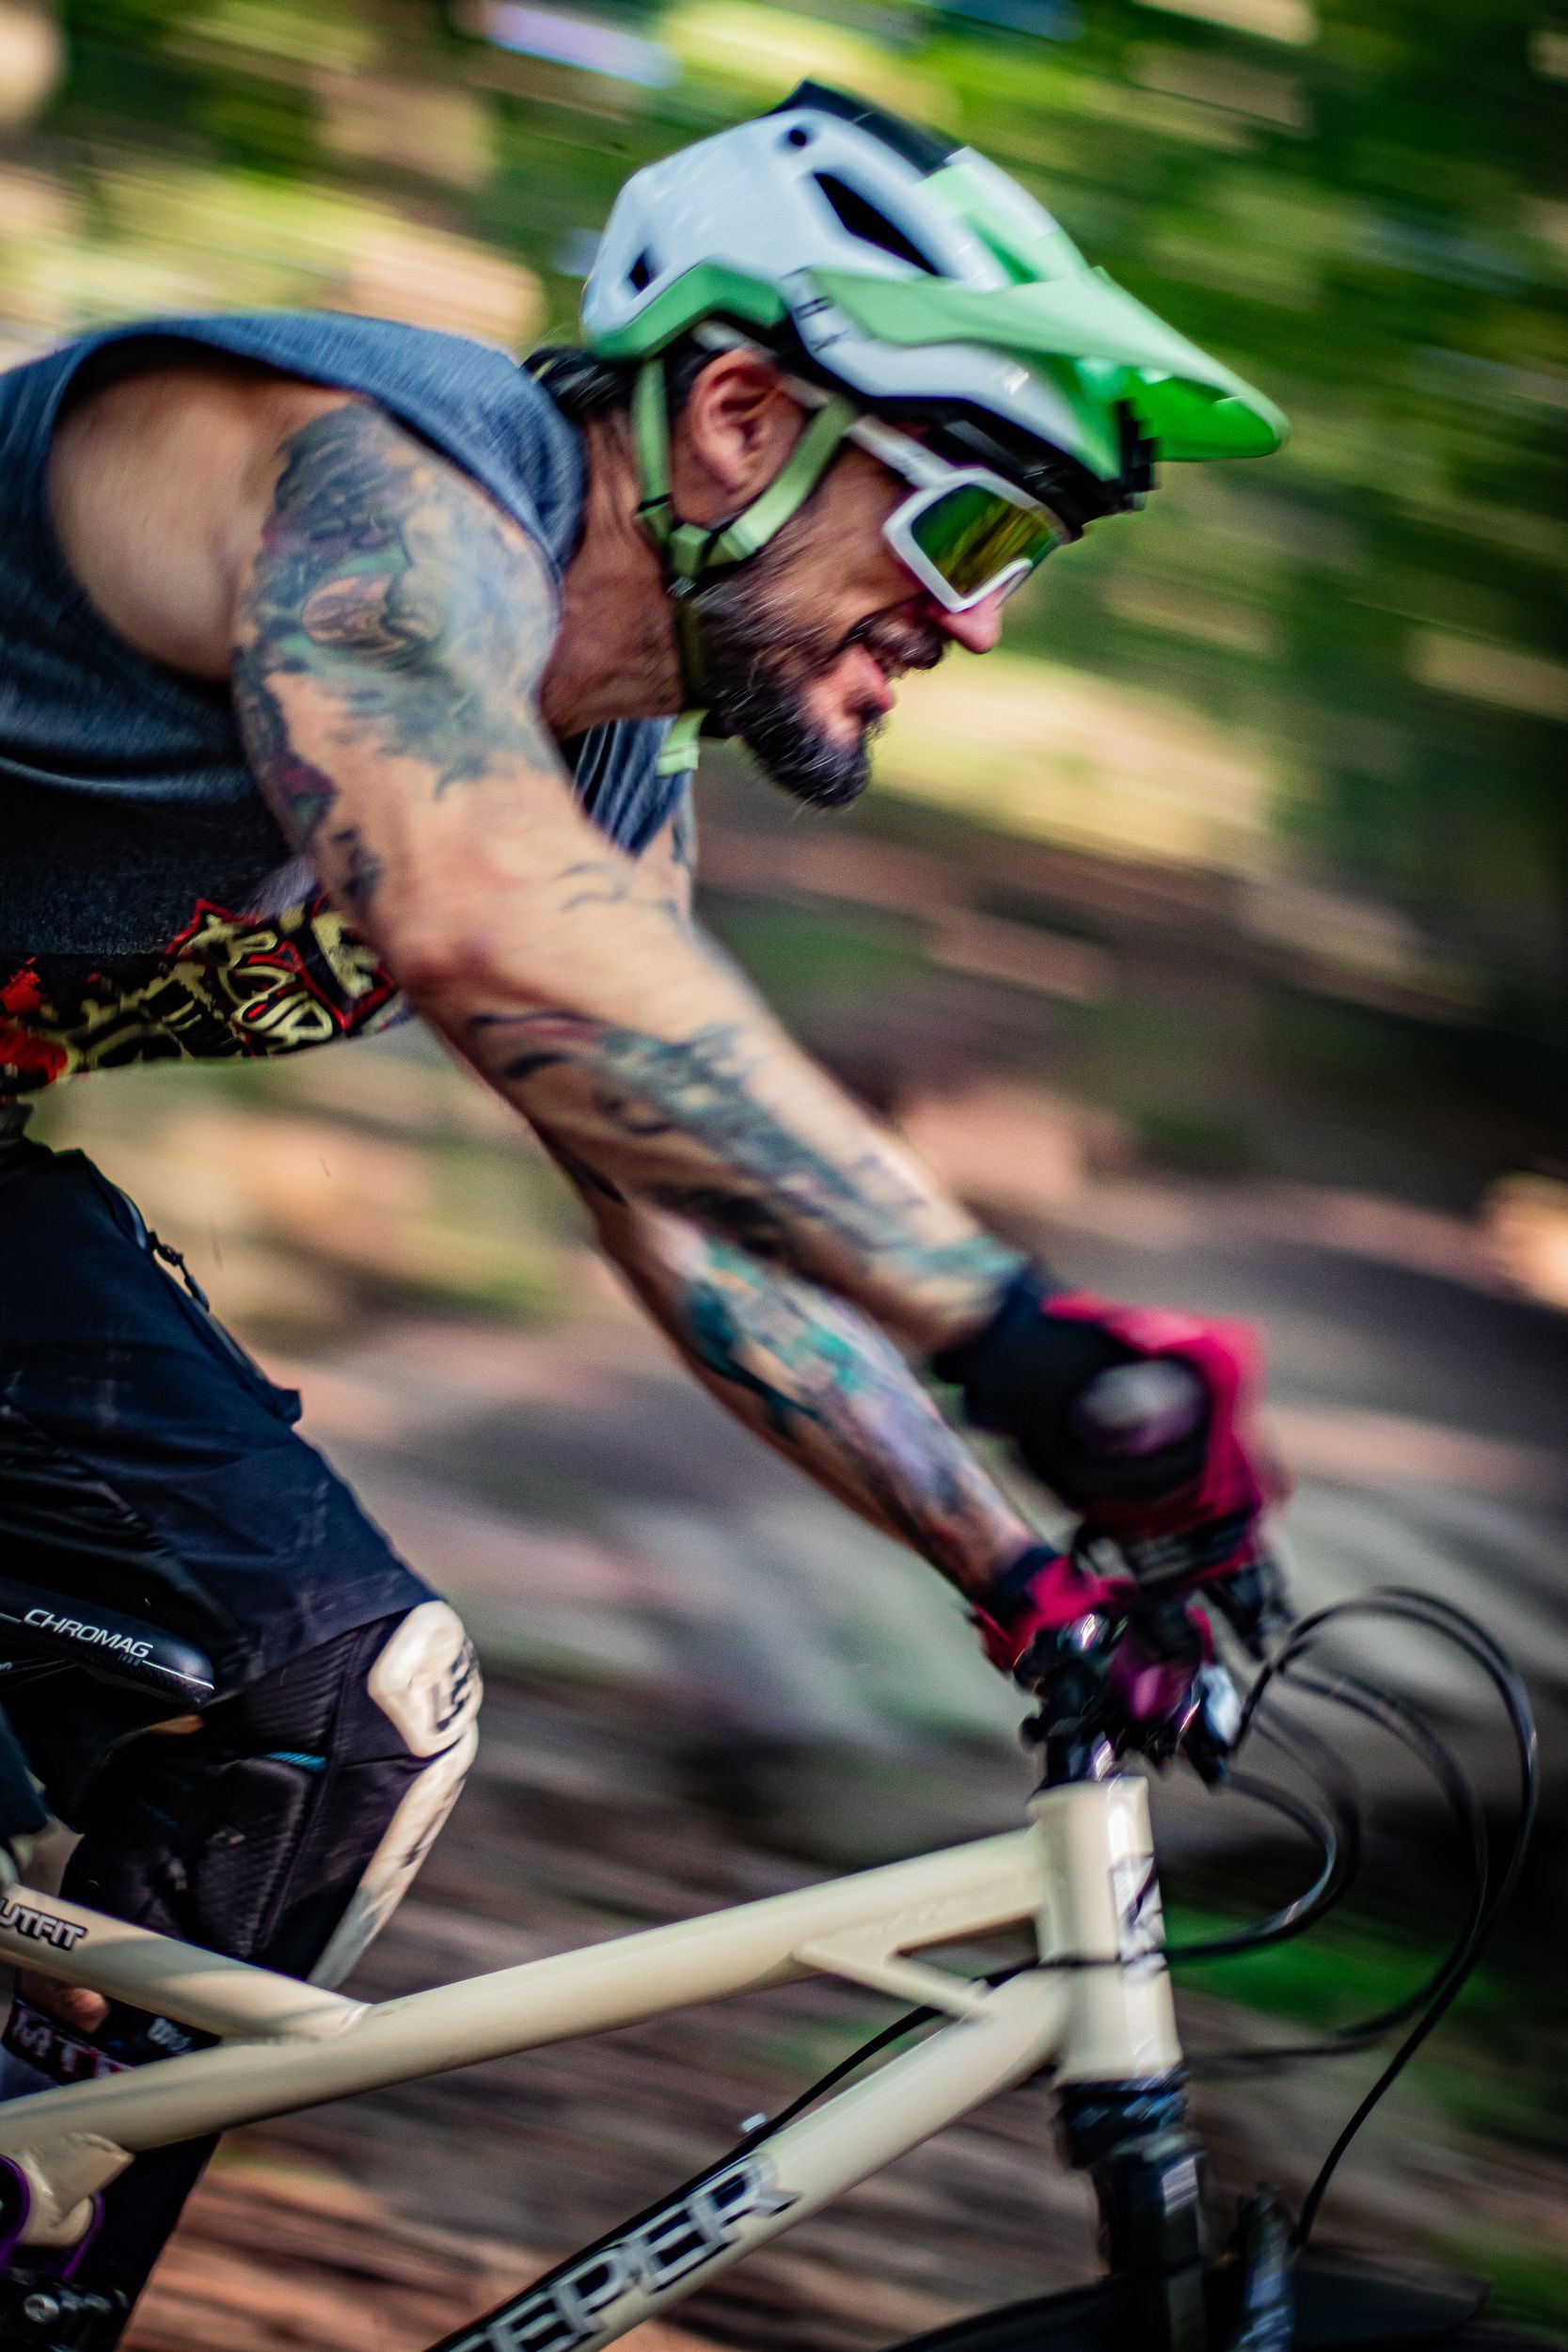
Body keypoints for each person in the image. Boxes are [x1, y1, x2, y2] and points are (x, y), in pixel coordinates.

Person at [0, 80, 1287, 2321]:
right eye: (969, 533)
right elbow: (482, 908)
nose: (979, 627)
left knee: (338, 1696)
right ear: (734, 413)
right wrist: (1017, 1330)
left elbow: (672, 1197)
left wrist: (1028, 1577)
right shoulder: (370, 482)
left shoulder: (606, 742)